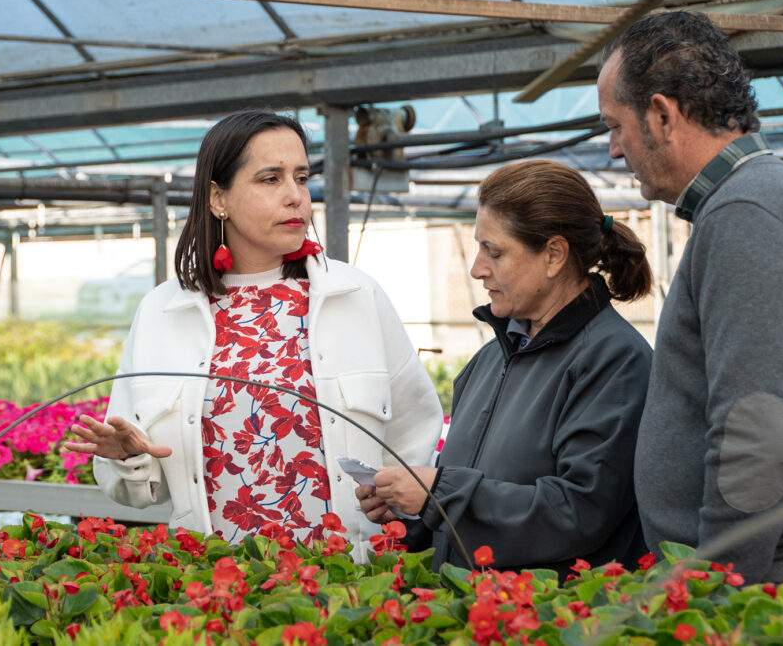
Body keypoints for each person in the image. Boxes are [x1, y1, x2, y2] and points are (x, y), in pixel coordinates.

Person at [65, 110, 442, 561]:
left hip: (347, 585)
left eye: (301, 178)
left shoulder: (357, 297)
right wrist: (128, 458)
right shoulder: (163, 314)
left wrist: (387, 512)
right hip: (213, 585)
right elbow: (140, 488)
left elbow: (414, 432)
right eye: (270, 179)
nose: (295, 197)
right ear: (217, 198)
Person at [598, 10, 783, 584]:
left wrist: (716, 585)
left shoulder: (748, 215)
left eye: (615, 126)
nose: (614, 149)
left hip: (779, 586)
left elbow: (758, 433)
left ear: (662, 114)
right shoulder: (750, 204)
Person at [358, 159, 654, 574]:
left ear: (554, 255)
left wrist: (441, 495)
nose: (477, 268)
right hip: (475, 612)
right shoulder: (492, 357)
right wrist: (413, 514)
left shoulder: (614, 361)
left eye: (493, 251)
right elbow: (476, 506)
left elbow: (580, 511)